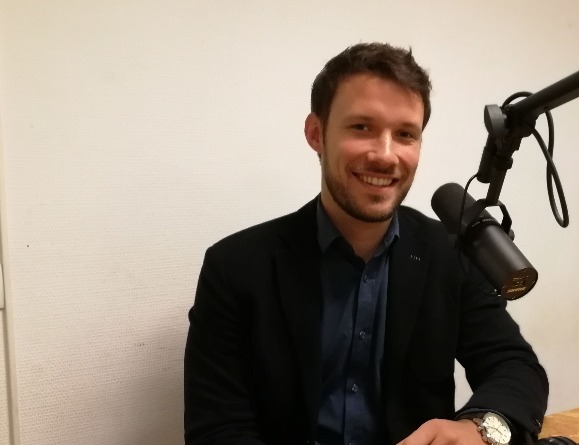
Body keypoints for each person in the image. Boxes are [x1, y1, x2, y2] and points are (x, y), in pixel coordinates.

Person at [184, 42, 548, 445]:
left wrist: (481, 429)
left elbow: (515, 366)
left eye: (405, 134)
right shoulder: (235, 268)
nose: (386, 155)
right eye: (362, 127)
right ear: (316, 134)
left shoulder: (451, 253)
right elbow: (217, 430)